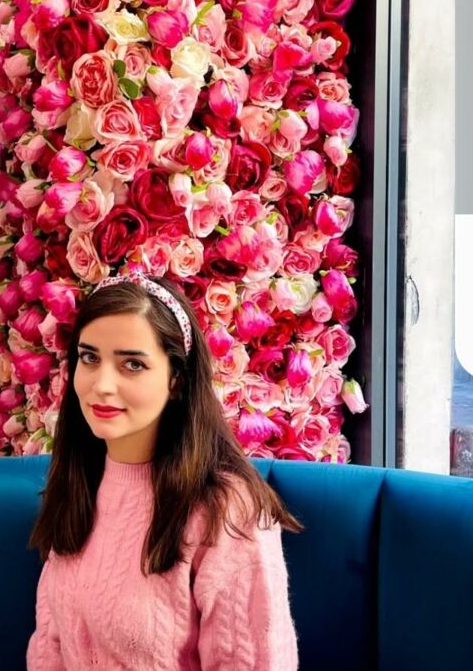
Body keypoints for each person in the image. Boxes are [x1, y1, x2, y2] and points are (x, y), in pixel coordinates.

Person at [27, 270, 301, 671]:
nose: (102, 384)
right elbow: (50, 648)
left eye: (132, 364)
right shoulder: (78, 482)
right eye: (90, 358)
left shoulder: (227, 511)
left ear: (176, 380)